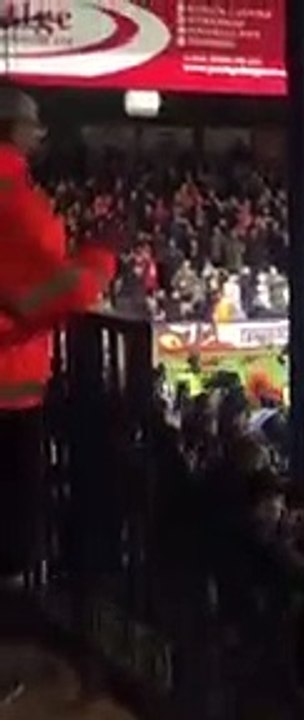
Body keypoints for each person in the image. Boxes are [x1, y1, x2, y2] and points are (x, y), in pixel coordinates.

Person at [0, 87, 121, 584]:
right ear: (13, 130)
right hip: (8, 396)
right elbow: (45, 295)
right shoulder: (16, 202)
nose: (39, 136)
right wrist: (101, 257)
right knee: (11, 533)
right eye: (34, 127)